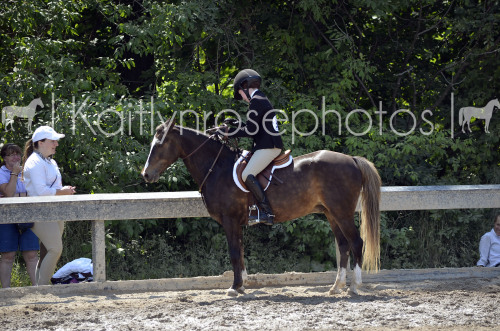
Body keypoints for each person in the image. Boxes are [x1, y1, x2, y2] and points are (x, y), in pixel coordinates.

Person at [225, 69, 284, 225]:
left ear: (245, 86)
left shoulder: (256, 101)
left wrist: (228, 133)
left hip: (268, 146)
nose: (242, 98)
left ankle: (267, 213)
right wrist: (237, 124)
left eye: (240, 93)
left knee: (247, 174)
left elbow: (251, 131)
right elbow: (253, 127)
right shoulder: (260, 98)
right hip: (267, 143)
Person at [23, 126, 76, 285]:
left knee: (48, 250)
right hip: (40, 211)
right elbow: (40, 191)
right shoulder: (35, 162)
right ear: (40, 142)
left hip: (53, 210)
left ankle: (39, 287)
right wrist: (62, 191)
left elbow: (52, 188)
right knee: (55, 249)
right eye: (52, 141)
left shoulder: (49, 161)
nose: (56, 144)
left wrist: (64, 191)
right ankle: (43, 287)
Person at [0, 143, 39, 287]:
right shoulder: (1, 173)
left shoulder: (27, 171)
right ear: (4, 158)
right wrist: (14, 173)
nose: (16, 157)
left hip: (27, 215)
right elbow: (9, 193)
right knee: (8, 255)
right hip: (6, 217)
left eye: (17, 153)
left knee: (32, 254)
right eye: (11, 154)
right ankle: (6, 291)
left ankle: (37, 288)